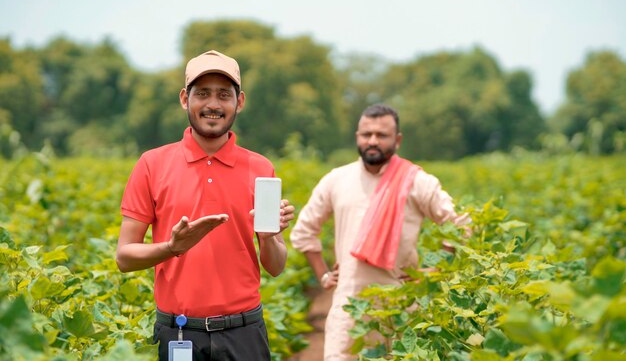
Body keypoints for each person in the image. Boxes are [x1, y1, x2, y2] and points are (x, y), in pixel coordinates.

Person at [116, 49, 295, 361]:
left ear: (239, 102)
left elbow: (276, 266)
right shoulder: (152, 164)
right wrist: (171, 247)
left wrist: (269, 237)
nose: (213, 104)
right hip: (178, 334)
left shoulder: (260, 168)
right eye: (203, 94)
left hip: (244, 332)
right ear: (185, 99)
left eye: (224, 94)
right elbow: (124, 257)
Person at [290, 104, 469, 361]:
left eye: (381, 135)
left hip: (401, 307)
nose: (372, 141)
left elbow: (461, 223)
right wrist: (324, 275)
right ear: (357, 137)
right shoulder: (337, 180)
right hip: (349, 307)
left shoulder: (417, 181)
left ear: (397, 140)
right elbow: (304, 230)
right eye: (366, 134)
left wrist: (436, 270)